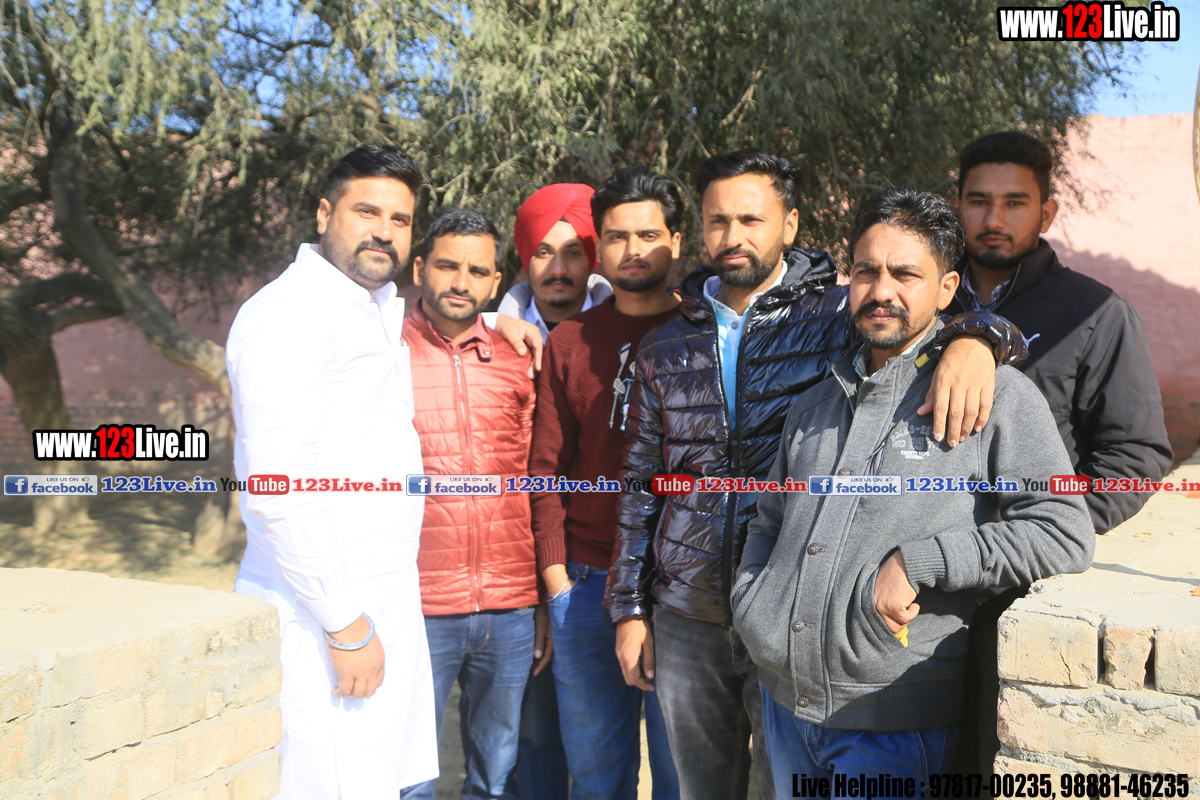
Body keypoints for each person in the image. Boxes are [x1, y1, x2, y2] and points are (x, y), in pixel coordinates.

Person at [605, 150, 1026, 800]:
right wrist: (630, 608)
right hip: (688, 615)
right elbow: (641, 486)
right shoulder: (665, 345)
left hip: (796, 610)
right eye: (718, 220)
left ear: (791, 223)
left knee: (785, 787)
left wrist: (980, 340)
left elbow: (936, 312)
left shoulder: (837, 314)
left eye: (752, 219)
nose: (733, 235)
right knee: (699, 789)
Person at [731, 185, 1094, 783]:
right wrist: (755, 605)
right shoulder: (815, 404)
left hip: (894, 724)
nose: (882, 291)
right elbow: (769, 521)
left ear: (947, 288)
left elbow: (1063, 532)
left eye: (905, 274)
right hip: (784, 706)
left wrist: (920, 561)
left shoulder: (995, 396)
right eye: (866, 271)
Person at [227, 145, 541, 800]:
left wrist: (496, 317)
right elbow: (277, 491)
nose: (384, 231)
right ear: (324, 213)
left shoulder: (369, 309)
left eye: (400, 220)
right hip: (323, 618)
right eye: (367, 211)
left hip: (377, 606)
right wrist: (346, 625)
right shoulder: (288, 317)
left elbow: (444, 322)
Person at [944, 131, 1174, 772]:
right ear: (957, 206)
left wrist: (1052, 529)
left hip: (1018, 591)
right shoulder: (921, 299)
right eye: (978, 200)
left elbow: (1134, 457)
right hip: (918, 576)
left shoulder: (1095, 312)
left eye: (1015, 202)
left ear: (1046, 212)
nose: (994, 218)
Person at [528, 167, 684, 800]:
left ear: (677, 240)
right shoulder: (569, 341)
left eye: (648, 234)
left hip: (682, 588)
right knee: (596, 779)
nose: (632, 249)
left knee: (684, 777)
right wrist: (556, 578)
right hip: (584, 585)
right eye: (617, 237)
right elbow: (546, 468)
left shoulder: (706, 333)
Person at [400, 207, 545, 800]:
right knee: (407, 773)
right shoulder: (382, 351)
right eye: (447, 266)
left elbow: (538, 477)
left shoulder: (520, 357)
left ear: (495, 282)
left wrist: (538, 596)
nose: (461, 282)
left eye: (478, 271)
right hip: (416, 604)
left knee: (496, 774)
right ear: (419, 268)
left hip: (509, 607)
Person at [498, 183, 614, 340]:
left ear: (591, 258)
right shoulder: (489, 340)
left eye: (572, 253)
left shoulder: (627, 336)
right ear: (527, 259)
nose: (558, 270)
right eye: (544, 253)